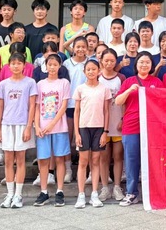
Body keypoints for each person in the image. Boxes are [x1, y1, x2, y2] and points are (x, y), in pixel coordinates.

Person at [115, 52, 164, 206]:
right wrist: (129, 90)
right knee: (131, 160)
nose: (144, 65)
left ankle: (153, 193)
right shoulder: (129, 81)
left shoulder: (157, 82)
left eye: (147, 62)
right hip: (131, 126)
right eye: (141, 62)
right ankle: (131, 193)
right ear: (136, 64)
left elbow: (164, 102)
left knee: (152, 160)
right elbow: (118, 101)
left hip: (151, 127)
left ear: (152, 65)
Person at [0, 53, 37, 209]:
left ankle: (18, 195)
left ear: (24, 65)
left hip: (22, 124)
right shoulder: (3, 84)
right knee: (8, 160)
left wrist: (29, 127)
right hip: (7, 124)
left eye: (19, 63)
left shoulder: (30, 82)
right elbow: (0, 107)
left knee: (20, 159)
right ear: (8, 65)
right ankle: (10, 194)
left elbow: (32, 106)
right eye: (13, 63)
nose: (16, 66)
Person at [73, 60, 112, 209]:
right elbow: (76, 112)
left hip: (99, 128)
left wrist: (105, 132)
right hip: (83, 128)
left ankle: (94, 193)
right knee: (83, 161)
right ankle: (81, 194)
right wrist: (77, 133)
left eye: (94, 69)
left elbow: (106, 111)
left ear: (99, 70)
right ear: (84, 72)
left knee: (96, 160)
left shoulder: (104, 89)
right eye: (88, 69)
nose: (91, 72)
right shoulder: (80, 89)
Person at [33, 54, 70, 207]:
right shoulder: (40, 84)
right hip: (42, 128)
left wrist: (52, 124)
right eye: (50, 65)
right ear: (45, 66)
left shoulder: (64, 83)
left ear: (59, 66)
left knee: (60, 158)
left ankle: (60, 191)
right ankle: (44, 191)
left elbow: (63, 106)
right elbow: (36, 106)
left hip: (59, 127)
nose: (52, 67)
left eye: (55, 65)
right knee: (43, 160)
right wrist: (37, 125)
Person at [98, 49, 127, 202]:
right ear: (101, 61)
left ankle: (117, 187)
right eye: (106, 61)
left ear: (116, 61)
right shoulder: (97, 77)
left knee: (118, 156)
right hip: (101, 123)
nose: (109, 63)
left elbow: (125, 101)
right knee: (103, 157)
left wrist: (123, 118)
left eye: (112, 61)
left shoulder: (121, 78)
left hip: (117, 123)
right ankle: (104, 187)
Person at [62, 36, 89, 183]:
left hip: (86, 105)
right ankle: (68, 169)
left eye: (83, 46)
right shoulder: (67, 64)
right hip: (69, 105)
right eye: (77, 46)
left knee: (83, 139)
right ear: (73, 48)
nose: (80, 49)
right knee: (68, 137)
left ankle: (83, 169)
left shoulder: (91, 63)